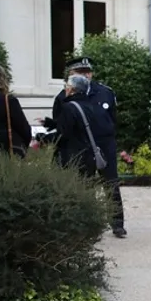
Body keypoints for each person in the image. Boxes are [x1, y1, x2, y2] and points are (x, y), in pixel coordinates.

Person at [50, 57, 126, 237]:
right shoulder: (63, 97)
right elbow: (61, 127)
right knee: (84, 184)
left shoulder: (105, 92)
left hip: (104, 144)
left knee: (111, 183)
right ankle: (87, 223)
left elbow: (113, 119)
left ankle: (117, 224)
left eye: (87, 71)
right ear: (70, 75)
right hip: (81, 147)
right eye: (80, 72)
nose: (85, 75)